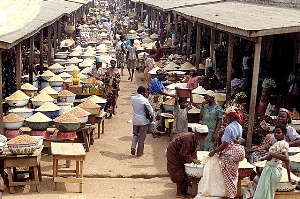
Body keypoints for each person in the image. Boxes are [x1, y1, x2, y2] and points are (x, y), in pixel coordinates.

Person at [209, 106, 245, 199]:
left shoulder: (229, 128)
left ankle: (230, 197)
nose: (226, 118)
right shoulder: (239, 126)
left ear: (231, 116)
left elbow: (225, 144)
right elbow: (238, 140)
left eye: (227, 116)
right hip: (236, 155)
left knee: (228, 179)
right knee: (233, 178)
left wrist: (214, 151)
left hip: (230, 156)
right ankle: (230, 195)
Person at [253, 124, 296, 199]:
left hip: (273, 169)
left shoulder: (282, 144)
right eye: (275, 132)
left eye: (278, 132)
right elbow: (271, 157)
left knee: (266, 192)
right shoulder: (278, 144)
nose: (276, 134)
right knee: (267, 192)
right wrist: (264, 158)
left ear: (284, 133)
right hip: (272, 168)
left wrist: (272, 154)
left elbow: (286, 159)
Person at [167, 131, 208, 198]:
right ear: (198, 134)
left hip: (180, 152)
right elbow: (183, 153)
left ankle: (184, 192)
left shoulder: (195, 139)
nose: (203, 139)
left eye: (204, 137)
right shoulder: (188, 139)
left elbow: (193, 151)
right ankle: (179, 193)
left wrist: (195, 159)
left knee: (184, 171)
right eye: (202, 137)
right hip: (174, 152)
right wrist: (192, 160)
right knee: (178, 171)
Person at [148, 69, 175, 134]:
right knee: (155, 115)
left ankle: (158, 130)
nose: (164, 77)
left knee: (159, 115)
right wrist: (170, 95)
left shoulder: (159, 81)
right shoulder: (155, 81)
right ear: (159, 75)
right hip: (155, 99)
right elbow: (159, 91)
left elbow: (163, 89)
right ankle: (154, 131)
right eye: (163, 75)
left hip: (158, 99)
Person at [131, 86, 154, 157]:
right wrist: (152, 117)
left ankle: (133, 147)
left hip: (135, 120)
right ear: (142, 92)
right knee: (141, 137)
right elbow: (151, 110)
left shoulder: (132, 98)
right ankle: (139, 152)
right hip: (143, 121)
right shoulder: (144, 100)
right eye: (145, 92)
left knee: (135, 134)